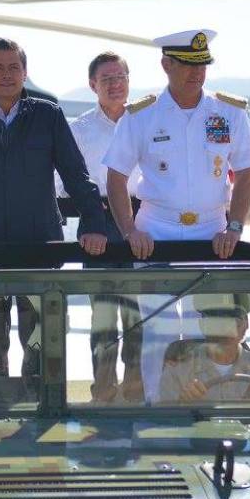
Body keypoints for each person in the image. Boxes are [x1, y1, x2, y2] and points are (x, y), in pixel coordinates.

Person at [103, 28, 250, 402]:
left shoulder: (229, 111)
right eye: (188, 66)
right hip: (155, 231)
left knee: (206, 327)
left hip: (212, 232)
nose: (198, 74)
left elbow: (245, 174)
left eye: (203, 65)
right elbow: (116, 177)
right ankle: (158, 410)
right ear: (166, 65)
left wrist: (235, 227)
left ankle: (203, 406)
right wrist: (129, 231)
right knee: (159, 333)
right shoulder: (141, 115)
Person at [0, 37, 108, 378]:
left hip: (39, 251)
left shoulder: (48, 116)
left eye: (14, 67)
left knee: (42, 358)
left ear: (25, 72)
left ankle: (40, 426)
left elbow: (76, 175)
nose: (7, 75)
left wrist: (94, 222)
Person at [59, 51, 143, 402]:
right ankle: (104, 390)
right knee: (105, 315)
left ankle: (138, 388)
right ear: (93, 85)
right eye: (106, 79)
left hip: (144, 223)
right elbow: (61, 185)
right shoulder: (79, 131)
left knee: (140, 312)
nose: (114, 84)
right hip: (99, 224)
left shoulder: (146, 122)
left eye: (120, 77)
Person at [159, 294, 250, 402]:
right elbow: (164, 425)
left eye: (234, 322)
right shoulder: (177, 372)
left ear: (246, 324)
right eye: (216, 323)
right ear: (202, 325)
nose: (225, 331)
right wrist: (182, 404)